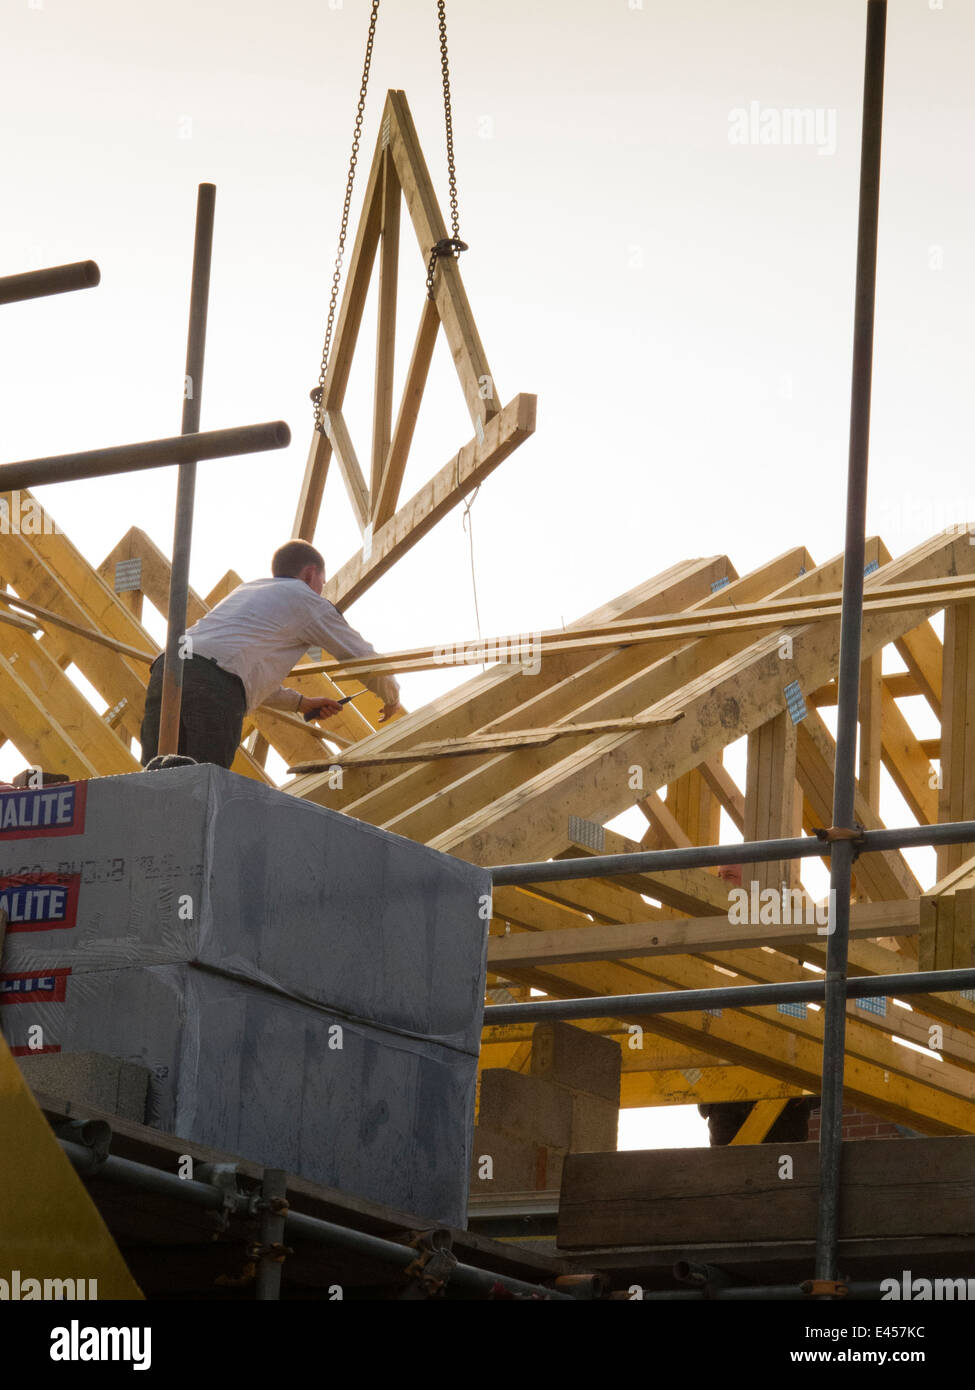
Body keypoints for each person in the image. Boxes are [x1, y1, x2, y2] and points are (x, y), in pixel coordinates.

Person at [139, 540, 401, 769]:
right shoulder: (306, 600)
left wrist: (301, 703)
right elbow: (360, 655)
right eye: (323, 581)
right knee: (202, 782)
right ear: (310, 574)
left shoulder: (249, 590)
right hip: (214, 684)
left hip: (167, 669)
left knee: (154, 781)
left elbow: (236, 670)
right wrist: (391, 696)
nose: (322, 588)